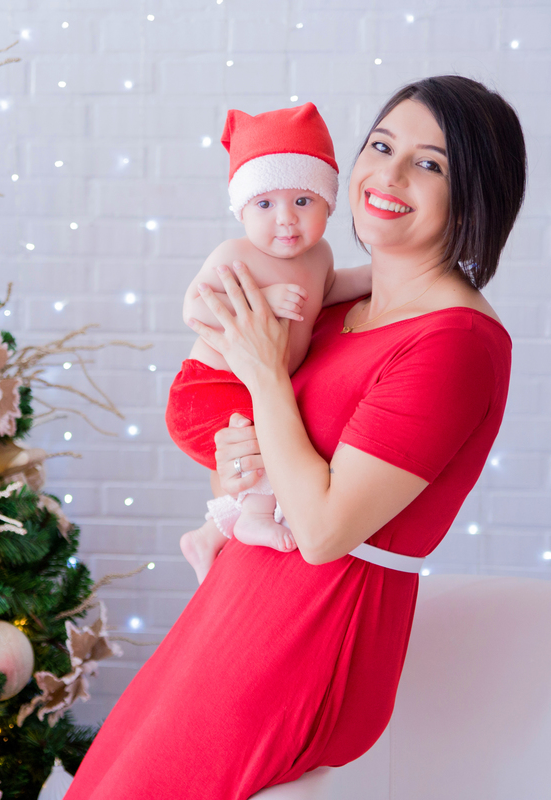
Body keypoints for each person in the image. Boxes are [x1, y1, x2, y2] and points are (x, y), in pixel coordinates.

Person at [63, 75, 526, 800]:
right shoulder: (342, 309)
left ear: (477, 195)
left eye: (429, 163)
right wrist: (232, 455)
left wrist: (263, 373)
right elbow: (258, 465)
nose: (390, 174)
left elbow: (320, 531)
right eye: (381, 145)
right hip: (236, 605)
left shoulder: (456, 344)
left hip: (312, 633)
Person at [171, 103, 372, 582]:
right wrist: (262, 296)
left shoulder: (319, 255)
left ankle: (207, 537)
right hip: (210, 387)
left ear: (327, 204)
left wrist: (375, 277)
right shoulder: (236, 256)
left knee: (281, 437)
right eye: (265, 204)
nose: (286, 219)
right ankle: (254, 519)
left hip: (253, 386)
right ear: (242, 209)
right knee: (267, 446)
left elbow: (329, 290)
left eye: (303, 202)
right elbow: (193, 309)